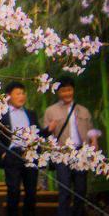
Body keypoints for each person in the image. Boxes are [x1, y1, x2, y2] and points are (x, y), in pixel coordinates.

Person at [44, 76, 102, 216]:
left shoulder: (83, 110)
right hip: (62, 154)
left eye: (69, 90)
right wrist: (49, 129)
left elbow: (90, 130)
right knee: (64, 189)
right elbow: (45, 134)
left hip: (81, 153)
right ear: (58, 93)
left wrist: (94, 140)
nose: (67, 93)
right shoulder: (50, 111)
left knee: (81, 189)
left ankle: (78, 213)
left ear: (73, 90)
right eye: (63, 91)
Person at [0, 81, 42, 216]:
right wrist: (3, 153)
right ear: (9, 96)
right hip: (12, 154)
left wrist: (49, 130)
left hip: (30, 155)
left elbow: (38, 133)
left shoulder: (31, 114)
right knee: (13, 190)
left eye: (23, 93)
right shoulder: (1, 115)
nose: (22, 96)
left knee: (31, 191)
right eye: (18, 93)